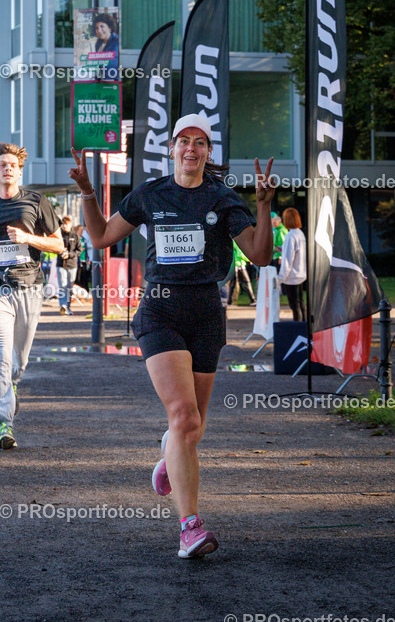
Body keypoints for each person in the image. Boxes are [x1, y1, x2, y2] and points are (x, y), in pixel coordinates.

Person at [69, 112, 275, 559]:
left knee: (192, 429)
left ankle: (170, 457)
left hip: (205, 316)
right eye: (184, 140)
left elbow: (258, 256)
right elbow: (102, 236)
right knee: (183, 417)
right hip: (159, 312)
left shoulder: (222, 198)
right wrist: (87, 194)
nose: (191, 149)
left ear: (208, 153)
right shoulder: (150, 194)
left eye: (200, 142)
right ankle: (190, 527)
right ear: (172, 148)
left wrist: (262, 204)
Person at [0, 142, 63, 450]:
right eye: (2, 164)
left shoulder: (36, 201)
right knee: (1, 354)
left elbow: (58, 245)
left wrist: (29, 237)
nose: (7, 168)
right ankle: (4, 422)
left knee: (18, 361)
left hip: (30, 287)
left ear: (20, 171)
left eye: (12, 165)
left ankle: (12, 386)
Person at [277, 206, 306, 322]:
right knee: (301, 304)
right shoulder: (300, 234)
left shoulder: (290, 236)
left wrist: (280, 278)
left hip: (291, 276)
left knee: (294, 306)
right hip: (301, 273)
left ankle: (298, 330)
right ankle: (304, 329)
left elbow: (288, 260)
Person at [56, 216, 82, 316]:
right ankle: (62, 306)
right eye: (63, 224)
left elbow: (79, 250)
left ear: (70, 224)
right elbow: (53, 247)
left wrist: (69, 255)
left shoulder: (75, 235)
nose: (64, 226)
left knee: (69, 287)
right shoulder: (58, 235)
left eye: (66, 224)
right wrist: (61, 253)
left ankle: (68, 306)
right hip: (61, 264)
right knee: (62, 286)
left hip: (72, 265)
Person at [227, 241, 256, 306]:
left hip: (233, 264)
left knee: (233, 284)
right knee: (247, 282)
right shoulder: (238, 241)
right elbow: (240, 253)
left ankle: (229, 301)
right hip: (239, 264)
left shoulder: (232, 241)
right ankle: (252, 300)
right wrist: (249, 259)